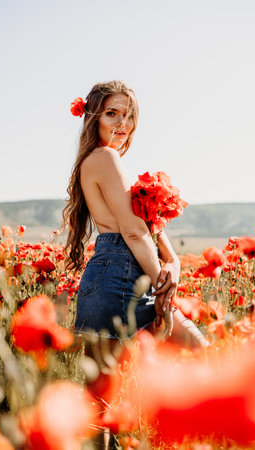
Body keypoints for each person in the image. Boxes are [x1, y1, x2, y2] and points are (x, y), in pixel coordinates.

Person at [63, 80, 208, 347]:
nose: (123, 124)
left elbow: (142, 226)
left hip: (114, 279)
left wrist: (173, 262)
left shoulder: (95, 160)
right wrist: (164, 289)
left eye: (129, 116)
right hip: (118, 277)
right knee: (198, 351)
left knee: (110, 387)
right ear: (93, 117)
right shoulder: (106, 158)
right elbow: (133, 230)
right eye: (112, 113)